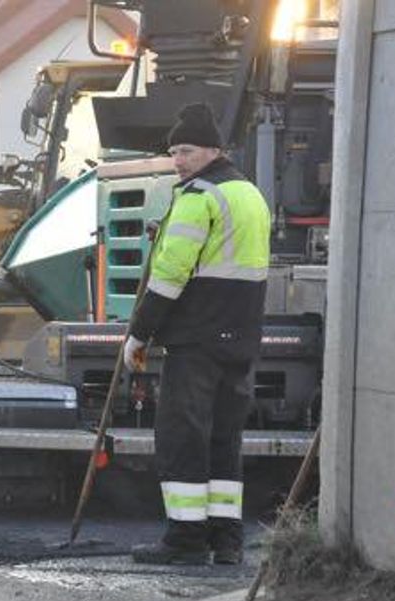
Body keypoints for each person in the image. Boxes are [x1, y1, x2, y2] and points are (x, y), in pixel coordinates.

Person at [125, 103, 271, 566]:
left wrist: (139, 334)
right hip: (241, 337)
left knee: (182, 436)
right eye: (173, 152)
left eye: (186, 150)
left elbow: (169, 275)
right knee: (225, 438)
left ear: (213, 150)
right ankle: (227, 542)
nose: (178, 161)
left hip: (197, 339)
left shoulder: (197, 197)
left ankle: (185, 541)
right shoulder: (250, 194)